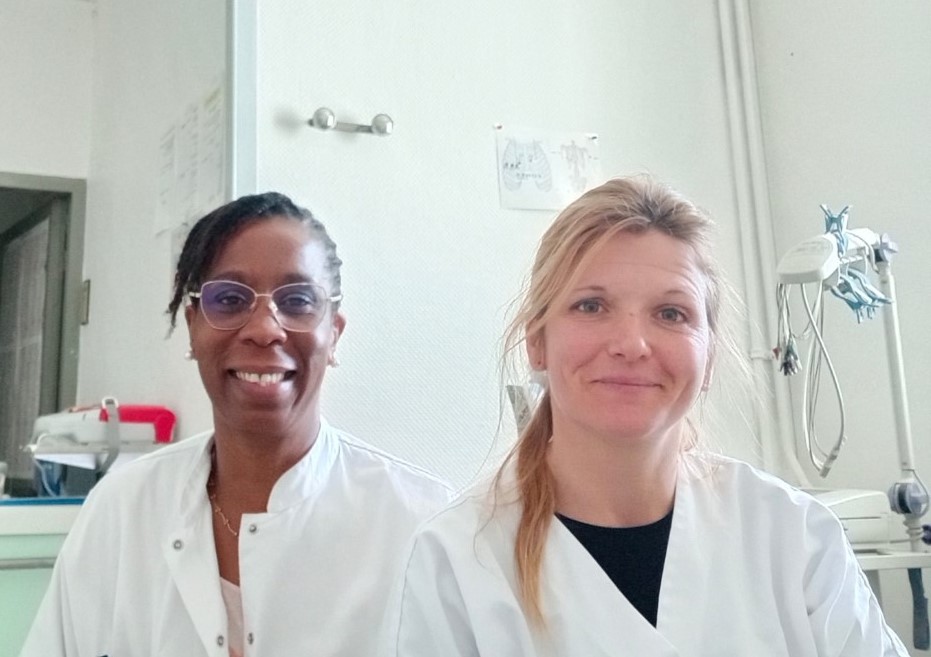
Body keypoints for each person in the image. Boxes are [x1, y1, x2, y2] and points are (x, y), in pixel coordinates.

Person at [379, 176, 908, 656]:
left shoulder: (794, 538)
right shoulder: (457, 560)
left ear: (709, 356)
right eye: (591, 306)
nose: (632, 344)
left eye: (671, 313)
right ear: (537, 343)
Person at [21, 192, 453, 657]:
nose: (265, 329)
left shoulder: (422, 525)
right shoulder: (122, 509)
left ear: (334, 334)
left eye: (297, 300)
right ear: (193, 327)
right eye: (228, 299)